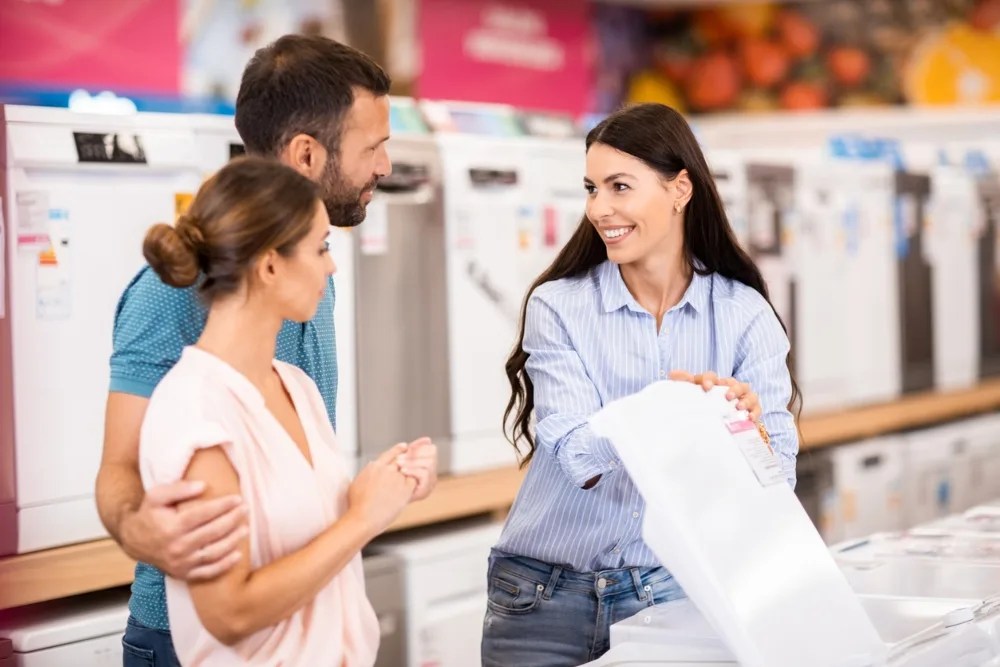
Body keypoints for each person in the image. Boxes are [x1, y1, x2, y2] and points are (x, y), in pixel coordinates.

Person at [94, 35, 437, 666]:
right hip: (189, 637)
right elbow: (119, 468)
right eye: (374, 146)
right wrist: (139, 530)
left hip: (301, 619)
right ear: (308, 153)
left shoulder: (305, 281)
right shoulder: (172, 295)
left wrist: (377, 491)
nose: (385, 166)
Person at [482, 103, 800, 667]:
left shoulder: (744, 315)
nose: (599, 209)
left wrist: (743, 432)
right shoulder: (559, 306)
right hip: (539, 600)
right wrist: (678, 413)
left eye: (619, 187)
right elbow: (579, 455)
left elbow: (776, 482)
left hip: (668, 594)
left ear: (680, 190)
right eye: (591, 188)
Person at [139, 156, 411, 665]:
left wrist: (384, 487)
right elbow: (230, 612)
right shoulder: (196, 410)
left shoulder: (296, 386)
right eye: (321, 247)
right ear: (269, 265)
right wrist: (363, 519)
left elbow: (302, 524)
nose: (331, 266)